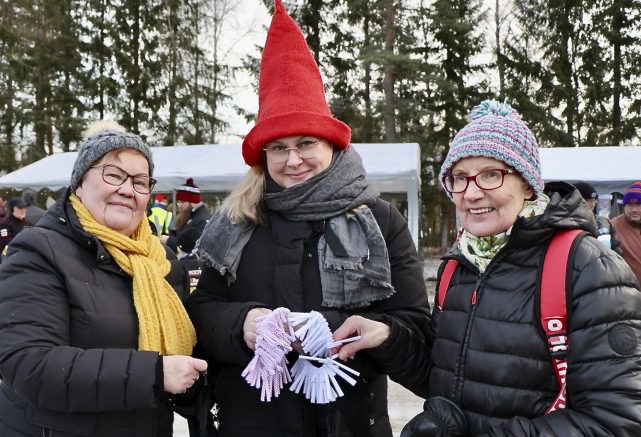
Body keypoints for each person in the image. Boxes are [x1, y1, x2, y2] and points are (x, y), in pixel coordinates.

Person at [184, 2, 430, 436]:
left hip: (349, 424)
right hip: (248, 423)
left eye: (305, 143)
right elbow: (200, 314)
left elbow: (415, 334)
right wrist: (243, 326)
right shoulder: (236, 221)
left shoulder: (380, 220)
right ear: (264, 156)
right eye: (278, 148)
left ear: (331, 146)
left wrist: (369, 333)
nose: (292, 159)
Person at [332, 100, 641, 436]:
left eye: (491, 175)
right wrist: (388, 337)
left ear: (527, 184)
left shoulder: (587, 267)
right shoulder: (459, 267)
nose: (472, 193)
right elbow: (448, 377)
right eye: (459, 178)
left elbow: (616, 422)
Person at [0, 121, 207, 437]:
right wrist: (154, 374)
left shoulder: (159, 261)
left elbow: (188, 335)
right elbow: (29, 364)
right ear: (79, 183)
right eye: (113, 175)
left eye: (140, 181)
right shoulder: (38, 251)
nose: (127, 189)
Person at [161, 178, 211, 255]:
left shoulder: (202, 219)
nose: (180, 206)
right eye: (178, 202)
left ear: (192, 202)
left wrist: (169, 240)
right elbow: (182, 234)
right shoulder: (191, 215)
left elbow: (194, 245)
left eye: (182, 202)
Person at [573, 181, 621, 253]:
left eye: (594, 200)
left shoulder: (604, 222)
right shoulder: (569, 224)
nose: (592, 204)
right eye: (588, 201)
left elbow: (616, 248)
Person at [612, 181, 641, 282]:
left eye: (638, 205)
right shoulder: (613, 226)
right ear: (624, 207)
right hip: (627, 290)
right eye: (629, 205)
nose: (634, 209)